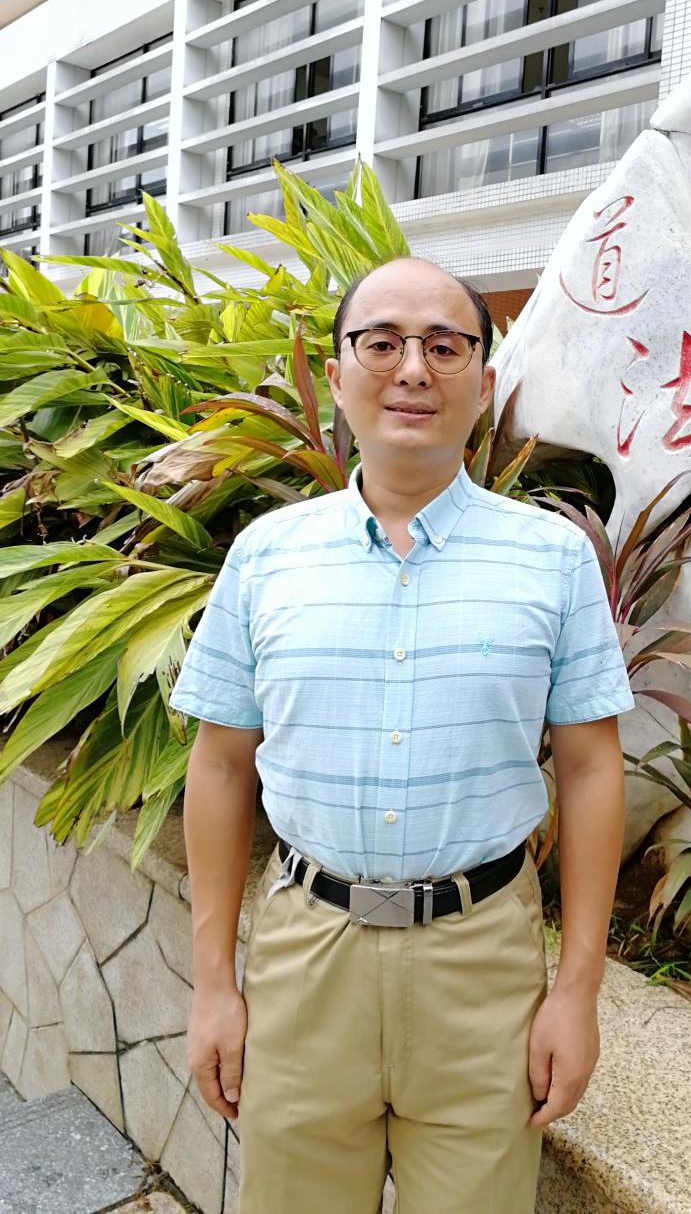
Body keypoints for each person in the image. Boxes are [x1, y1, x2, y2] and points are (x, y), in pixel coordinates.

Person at [171, 256, 633, 1213]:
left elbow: (591, 771)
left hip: (482, 964)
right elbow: (218, 768)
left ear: (484, 383)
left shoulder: (552, 559)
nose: (413, 368)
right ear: (337, 375)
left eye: (445, 345)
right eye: (381, 342)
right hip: (307, 959)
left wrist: (577, 991)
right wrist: (213, 985)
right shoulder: (266, 557)